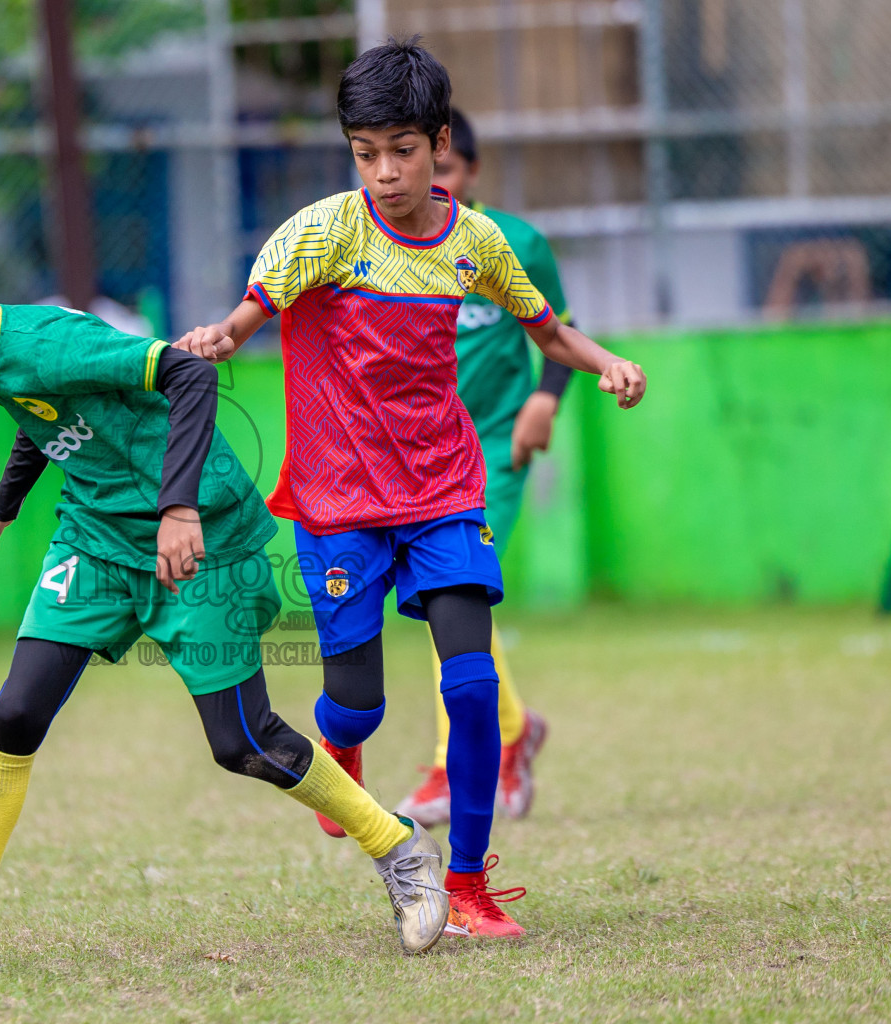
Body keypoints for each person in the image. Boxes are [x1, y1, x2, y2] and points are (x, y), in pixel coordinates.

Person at [0, 248, 451, 976]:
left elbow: (188, 373)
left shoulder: (51, 342)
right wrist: (1, 511)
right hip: (97, 539)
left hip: (199, 538)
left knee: (242, 742)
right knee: (14, 714)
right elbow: (47, 418)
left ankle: (399, 847)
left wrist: (178, 508)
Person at [174, 38, 647, 940]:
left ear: (439, 145)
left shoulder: (476, 242)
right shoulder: (321, 232)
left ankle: (465, 885)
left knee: (470, 685)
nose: (383, 173)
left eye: (401, 150)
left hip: (442, 489)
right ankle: (341, 751)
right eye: (364, 153)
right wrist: (221, 337)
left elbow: (546, 332)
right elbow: (248, 315)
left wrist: (605, 363)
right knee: (359, 700)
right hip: (339, 500)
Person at [394, 108, 572, 827]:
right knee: (444, 600)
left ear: (466, 170)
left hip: (491, 449)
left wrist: (544, 398)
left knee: (453, 591)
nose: (426, 184)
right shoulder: (386, 250)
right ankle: (515, 728)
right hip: (415, 459)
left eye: (442, 170)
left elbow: (561, 330)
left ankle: (447, 770)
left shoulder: (509, 243)